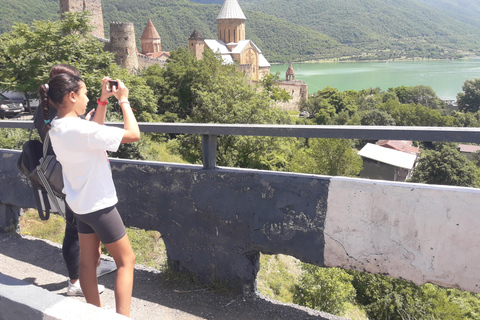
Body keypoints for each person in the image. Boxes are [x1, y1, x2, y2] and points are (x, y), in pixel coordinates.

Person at [38, 73, 139, 316]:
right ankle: (121, 317)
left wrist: (102, 102)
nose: (86, 99)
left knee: (87, 263)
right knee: (127, 261)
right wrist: (123, 100)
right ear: (71, 96)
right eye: (84, 93)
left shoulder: (56, 127)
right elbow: (133, 134)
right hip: (100, 205)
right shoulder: (81, 130)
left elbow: (93, 132)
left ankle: (95, 313)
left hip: (79, 204)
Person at [34, 64, 116, 297]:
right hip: (69, 174)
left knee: (81, 227)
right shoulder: (56, 111)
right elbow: (69, 135)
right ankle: (76, 280)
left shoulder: (48, 104)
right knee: (74, 228)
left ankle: (89, 269)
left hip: (67, 171)